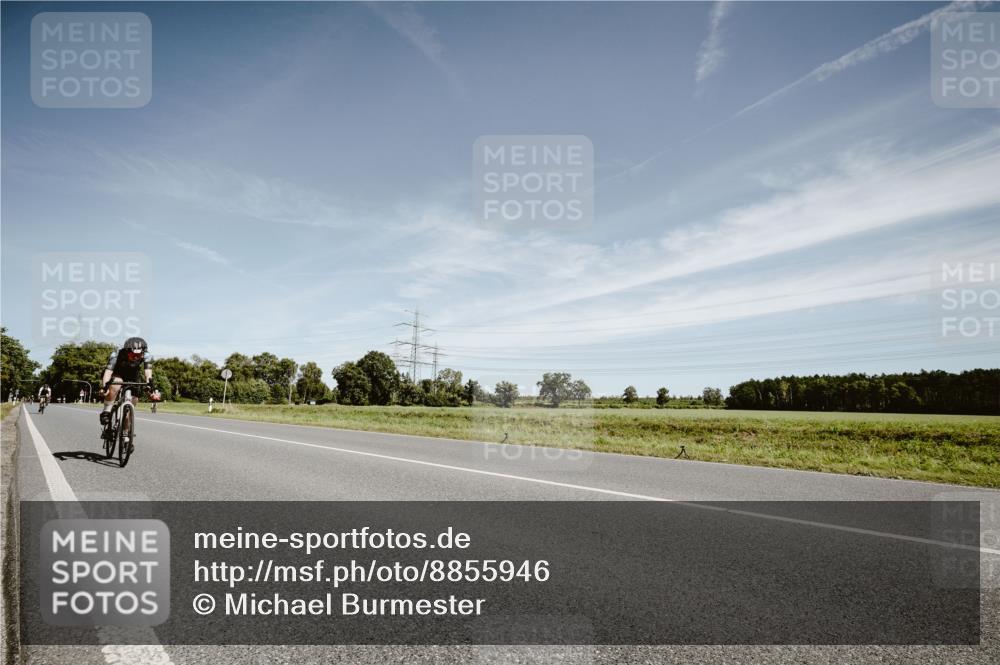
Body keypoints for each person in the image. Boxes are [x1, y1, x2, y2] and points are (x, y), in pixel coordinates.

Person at [99, 337, 154, 425]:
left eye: (139, 355)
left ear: (143, 353)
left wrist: (150, 388)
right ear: (127, 351)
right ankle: (107, 410)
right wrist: (104, 388)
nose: (136, 357)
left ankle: (126, 433)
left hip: (132, 374)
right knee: (116, 383)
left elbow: (148, 374)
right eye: (133, 354)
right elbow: (108, 372)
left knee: (134, 401)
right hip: (117, 372)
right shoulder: (116, 353)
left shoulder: (147, 355)